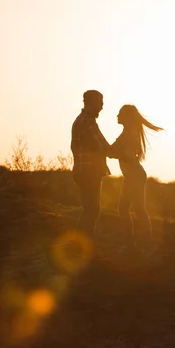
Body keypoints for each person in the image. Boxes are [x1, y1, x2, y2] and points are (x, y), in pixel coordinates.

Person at [109, 104, 163, 254]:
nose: (117, 116)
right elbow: (114, 151)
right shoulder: (128, 132)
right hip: (132, 175)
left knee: (138, 209)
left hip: (134, 175)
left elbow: (118, 152)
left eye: (120, 113)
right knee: (127, 209)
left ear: (126, 117)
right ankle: (134, 244)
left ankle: (144, 244)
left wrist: (110, 151)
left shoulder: (129, 134)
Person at [70, 90, 111, 239]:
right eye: (99, 103)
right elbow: (99, 145)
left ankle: (81, 244)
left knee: (91, 209)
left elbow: (102, 143)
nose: (102, 107)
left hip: (86, 170)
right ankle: (81, 244)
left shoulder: (88, 121)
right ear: (89, 102)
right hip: (88, 170)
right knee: (92, 210)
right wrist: (119, 153)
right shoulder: (86, 122)